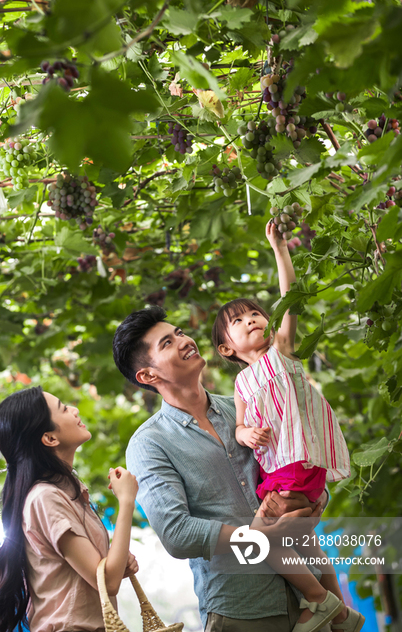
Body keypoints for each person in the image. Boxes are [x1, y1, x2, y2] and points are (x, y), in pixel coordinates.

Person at [113, 308, 329, 632]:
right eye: (168, 342)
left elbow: (300, 459)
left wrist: (315, 503)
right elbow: (176, 533)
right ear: (147, 375)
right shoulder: (149, 444)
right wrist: (257, 538)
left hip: (312, 600)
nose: (185, 341)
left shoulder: (245, 404)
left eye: (181, 331)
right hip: (241, 609)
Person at [211, 220, 364, 632]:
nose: (251, 320)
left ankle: (319, 601)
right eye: (239, 321)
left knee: (260, 541)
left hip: (297, 462)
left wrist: (280, 249)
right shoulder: (242, 382)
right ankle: (343, 615)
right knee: (302, 540)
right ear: (227, 348)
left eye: (255, 314)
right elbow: (241, 426)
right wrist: (246, 434)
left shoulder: (281, 352)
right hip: (281, 468)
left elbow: (289, 300)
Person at [0, 385, 138, 632]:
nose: (75, 410)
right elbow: (107, 582)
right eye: (64, 409)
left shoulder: (66, 490)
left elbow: (99, 572)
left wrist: (118, 562)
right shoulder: (45, 498)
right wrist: (127, 500)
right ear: (50, 438)